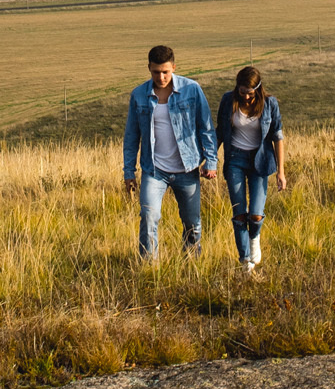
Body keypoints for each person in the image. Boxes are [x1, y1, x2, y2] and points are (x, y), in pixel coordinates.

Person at [121, 44, 216, 259]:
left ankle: (191, 263)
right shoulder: (138, 95)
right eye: (156, 72)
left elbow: (206, 127)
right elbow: (131, 137)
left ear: (174, 67)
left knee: (192, 222)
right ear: (149, 69)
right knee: (148, 215)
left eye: (165, 71)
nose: (161, 77)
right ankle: (149, 267)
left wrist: (211, 161)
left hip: (187, 167)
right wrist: (129, 172)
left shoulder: (192, 90)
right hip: (154, 170)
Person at [216, 65, 285, 272]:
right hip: (235, 158)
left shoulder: (269, 104)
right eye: (242, 92)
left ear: (258, 89)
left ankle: (254, 238)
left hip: (260, 160)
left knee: (255, 214)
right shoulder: (228, 100)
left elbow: (277, 137)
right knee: (239, 214)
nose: (246, 97)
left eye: (250, 92)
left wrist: (281, 172)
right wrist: (209, 160)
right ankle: (246, 261)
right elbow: (220, 132)